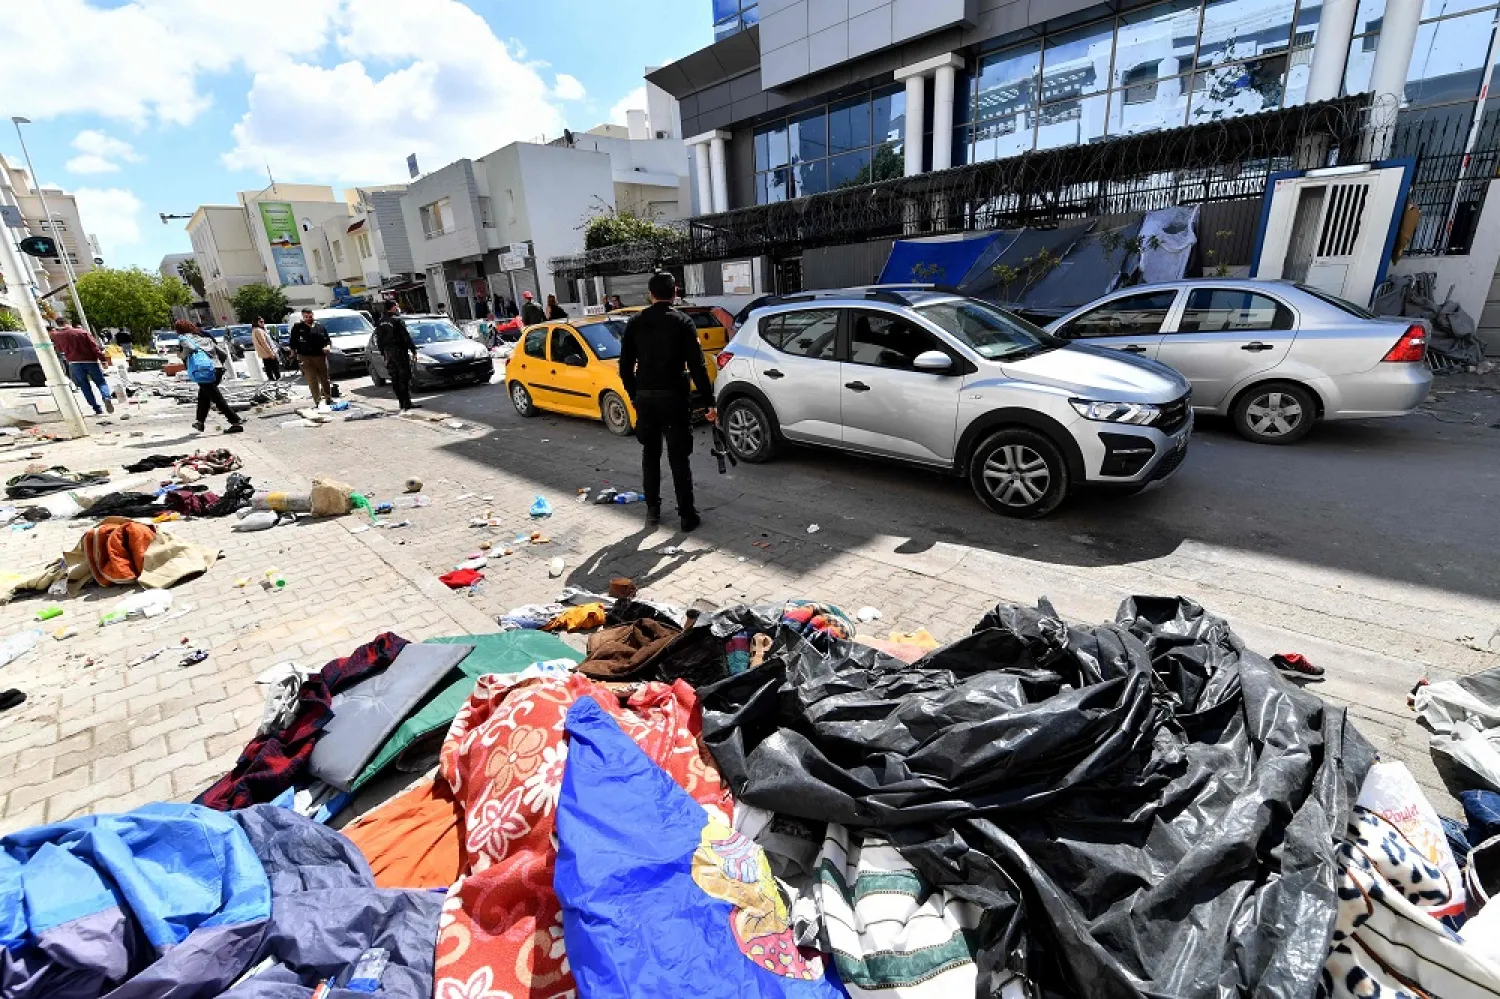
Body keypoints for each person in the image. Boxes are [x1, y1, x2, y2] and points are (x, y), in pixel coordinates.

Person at [618, 272, 716, 532]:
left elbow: (624, 366)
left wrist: (634, 396)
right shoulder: (683, 322)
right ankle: (686, 515)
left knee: (650, 455)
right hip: (674, 399)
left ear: (650, 295)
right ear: (674, 293)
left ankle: (652, 511)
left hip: (647, 399)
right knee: (679, 459)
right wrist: (709, 402)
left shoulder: (635, 322)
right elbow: (697, 367)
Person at [175, 319, 243, 434]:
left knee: (217, 399)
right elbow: (223, 354)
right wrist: (217, 365)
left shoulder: (183, 338)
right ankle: (200, 422)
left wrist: (181, 355)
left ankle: (235, 422)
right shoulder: (205, 339)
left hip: (203, 372)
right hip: (217, 370)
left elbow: (190, 348)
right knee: (204, 395)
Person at [49, 322, 114, 415]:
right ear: (68, 323)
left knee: (84, 386)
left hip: (74, 363)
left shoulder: (58, 336)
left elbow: (59, 350)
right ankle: (106, 397)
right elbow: (94, 347)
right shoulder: (83, 333)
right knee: (100, 382)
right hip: (90, 361)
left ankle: (97, 409)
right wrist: (103, 360)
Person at [376, 303, 420, 411]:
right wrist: (413, 350)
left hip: (388, 353)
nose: (398, 309)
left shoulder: (380, 322)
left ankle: (402, 403)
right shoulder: (397, 321)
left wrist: (383, 353)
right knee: (404, 377)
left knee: (395, 378)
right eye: (396, 306)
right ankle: (407, 403)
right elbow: (406, 336)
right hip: (399, 352)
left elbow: (379, 340)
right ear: (393, 308)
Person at [289, 308, 333, 407]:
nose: (309, 318)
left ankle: (328, 398)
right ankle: (317, 401)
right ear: (303, 317)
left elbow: (327, 340)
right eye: (306, 317)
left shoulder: (320, 326)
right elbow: (292, 343)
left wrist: (328, 347)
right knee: (312, 379)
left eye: (310, 316)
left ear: (313, 315)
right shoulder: (297, 327)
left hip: (320, 356)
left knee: (325, 378)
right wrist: (293, 354)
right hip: (305, 357)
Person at [250, 317, 280, 381]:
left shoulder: (255, 330)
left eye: (263, 321)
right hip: (268, 353)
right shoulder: (258, 330)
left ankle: (273, 381)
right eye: (261, 322)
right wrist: (271, 353)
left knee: (268, 368)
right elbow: (264, 343)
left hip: (265, 354)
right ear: (256, 322)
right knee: (275, 369)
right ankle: (277, 381)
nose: (263, 323)